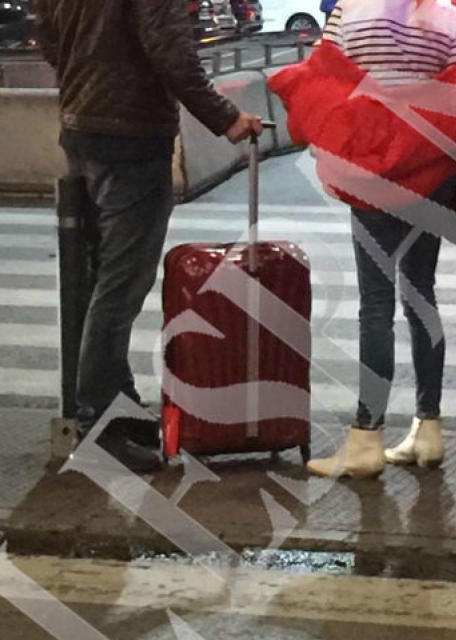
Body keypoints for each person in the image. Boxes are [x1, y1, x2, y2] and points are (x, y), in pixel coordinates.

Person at [268, 0, 456, 479]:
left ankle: (366, 438)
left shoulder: (350, 12)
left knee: (376, 306)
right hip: (429, 175)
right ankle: (427, 429)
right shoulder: (447, 19)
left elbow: (322, 77)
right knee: (420, 296)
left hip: (369, 177)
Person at [34, 0, 263, 473]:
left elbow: (48, 38)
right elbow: (172, 52)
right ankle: (98, 421)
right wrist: (226, 118)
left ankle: (118, 406)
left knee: (104, 278)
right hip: (131, 135)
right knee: (121, 284)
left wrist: (88, 81)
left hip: (83, 128)